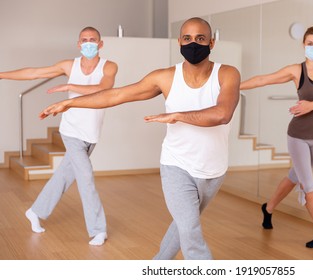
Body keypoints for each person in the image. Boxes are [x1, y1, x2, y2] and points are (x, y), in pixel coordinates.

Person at [39, 17, 240, 259]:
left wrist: (178, 115)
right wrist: (71, 102)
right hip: (176, 164)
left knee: (183, 227)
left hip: (213, 170)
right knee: (190, 230)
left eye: (200, 38)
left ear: (212, 42)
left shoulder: (227, 74)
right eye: (187, 38)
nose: (193, 44)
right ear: (179, 41)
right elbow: (116, 95)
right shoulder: (165, 77)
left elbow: (223, 114)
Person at [0, 26, 118, 246]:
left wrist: (70, 86)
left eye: (93, 40)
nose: (89, 43)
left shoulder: (109, 66)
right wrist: (2, 75)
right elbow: (34, 73)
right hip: (71, 131)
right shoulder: (69, 65)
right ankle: (98, 229)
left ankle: (35, 211)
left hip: (91, 135)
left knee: (64, 176)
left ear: (100, 44)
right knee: (86, 178)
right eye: (84, 40)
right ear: (78, 44)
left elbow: (104, 89)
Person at [240, 26, 313, 248]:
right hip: (298, 136)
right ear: (303, 46)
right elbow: (263, 80)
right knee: (308, 184)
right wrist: (232, 87)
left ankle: (268, 208)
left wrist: (311, 106)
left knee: (294, 176)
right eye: (310, 44)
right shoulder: (296, 71)